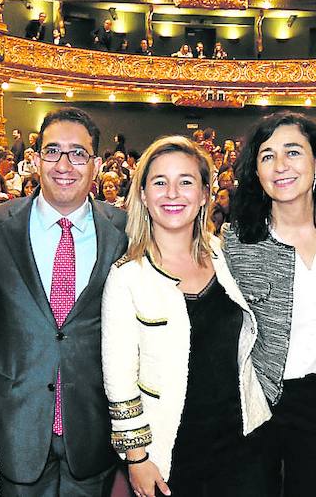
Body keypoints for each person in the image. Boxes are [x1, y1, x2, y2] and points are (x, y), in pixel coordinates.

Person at [102, 136, 272, 497]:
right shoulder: (126, 276)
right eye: (160, 182)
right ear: (144, 196)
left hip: (244, 443)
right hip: (170, 451)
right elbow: (119, 382)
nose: (173, 193)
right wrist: (137, 457)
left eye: (186, 181)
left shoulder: (225, 255)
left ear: (205, 194)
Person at [0, 107, 128, 495]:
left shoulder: (123, 230)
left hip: (92, 429)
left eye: (78, 153)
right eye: (52, 151)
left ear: (95, 164)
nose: (64, 164)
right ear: (36, 159)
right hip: (15, 426)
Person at [224, 111, 316, 497]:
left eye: (293, 152)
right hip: (258, 397)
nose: (280, 166)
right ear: (256, 172)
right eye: (267, 156)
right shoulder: (238, 241)